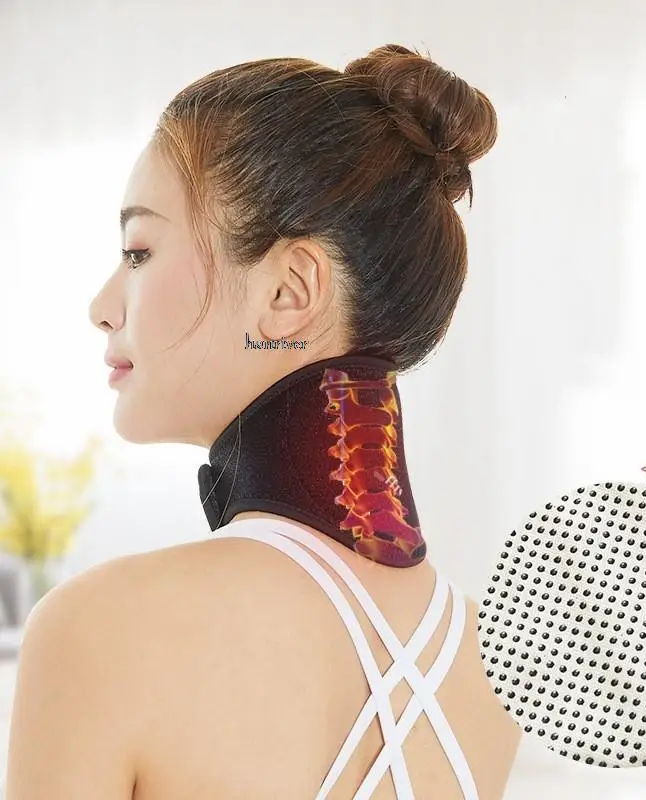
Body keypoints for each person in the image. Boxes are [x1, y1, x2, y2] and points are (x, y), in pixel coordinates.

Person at [4, 44, 521, 798]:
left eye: (139, 251)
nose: (102, 306)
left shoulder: (101, 629)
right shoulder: (490, 664)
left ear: (289, 291)